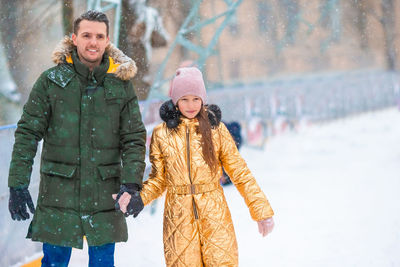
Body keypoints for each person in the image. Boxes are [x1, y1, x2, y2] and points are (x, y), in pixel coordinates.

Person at [7, 10, 146, 267]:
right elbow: (27, 132)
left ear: (106, 41)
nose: (93, 42)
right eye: (86, 35)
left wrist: (132, 184)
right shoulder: (51, 82)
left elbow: (134, 138)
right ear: (74, 38)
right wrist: (17, 184)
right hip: (59, 194)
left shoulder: (120, 85)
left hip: (106, 195)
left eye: (99, 36)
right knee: (54, 263)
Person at [138, 67, 275, 266]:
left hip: (214, 215)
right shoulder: (162, 134)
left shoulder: (216, 130)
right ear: (175, 101)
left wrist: (261, 211)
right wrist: (139, 199)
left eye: (196, 98)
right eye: (184, 99)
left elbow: (240, 172)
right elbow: (159, 179)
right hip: (179, 219)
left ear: (203, 99)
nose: (191, 105)